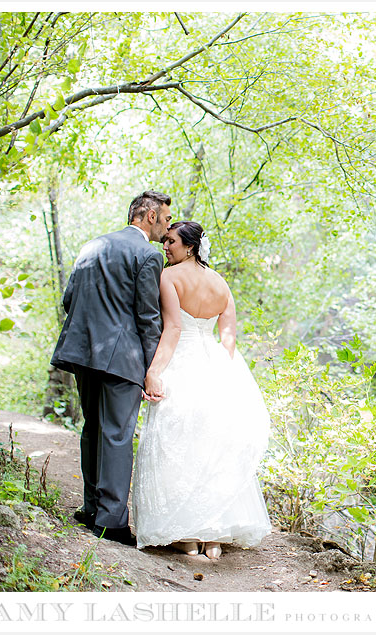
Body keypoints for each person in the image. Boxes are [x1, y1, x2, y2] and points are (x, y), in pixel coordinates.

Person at [131, 220, 272, 559]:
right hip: (215, 367)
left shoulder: (169, 277)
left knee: (177, 444)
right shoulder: (221, 284)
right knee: (211, 447)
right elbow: (228, 340)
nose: (166, 247)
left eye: (172, 242)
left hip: (182, 363)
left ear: (190, 247)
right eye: (165, 241)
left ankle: (187, 535)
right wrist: (224, 377)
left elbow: (174, 329)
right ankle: (213, 537)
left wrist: (153, 372)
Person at [51, 190, 173, 546]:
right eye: (165, 219)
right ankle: (112, 522)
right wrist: (153, 369)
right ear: (149, 216)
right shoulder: (148, 255)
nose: (166, 228)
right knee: (118, 436)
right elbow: (148, 317)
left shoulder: (92, 246)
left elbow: (68, 299)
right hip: (122, 359)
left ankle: (90, 509)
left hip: (84, 352)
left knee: (92, 429)